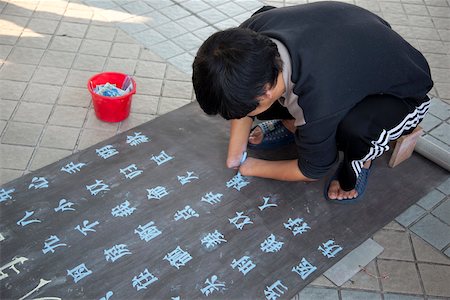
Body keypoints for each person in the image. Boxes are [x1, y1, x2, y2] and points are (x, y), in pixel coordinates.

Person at [192, 1, 433, 203]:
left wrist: (250, 167)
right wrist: (236, 151)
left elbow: (313, 170)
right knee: (274, 107)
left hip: (403, 91)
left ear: (265, 91)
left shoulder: (318, 100)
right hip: (353, 41)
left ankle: (361, 162)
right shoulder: (245, 39)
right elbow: (244, 92)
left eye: (243, 110)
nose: (240, 115)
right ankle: (293, 126)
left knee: (354, 132)